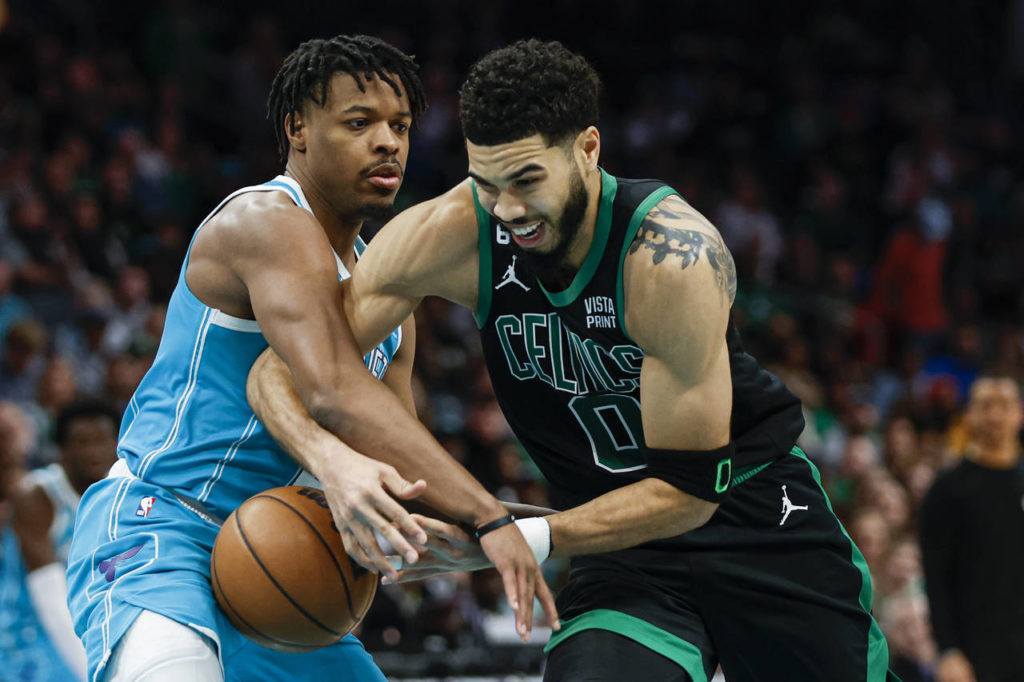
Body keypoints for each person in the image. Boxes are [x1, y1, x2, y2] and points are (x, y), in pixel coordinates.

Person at [249, 40, 897, 681]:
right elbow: (277, 371)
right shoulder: (450, 234)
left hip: (754, 517)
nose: (508, 209)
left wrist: (511, 535)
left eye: (527, 180)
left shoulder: (669, 257)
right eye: (487, 182)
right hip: (622, 552)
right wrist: (332, 462)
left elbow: (690, 492)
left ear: (587, 149)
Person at [65, 35, 553, 682]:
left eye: (400, 126)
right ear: (297, 128)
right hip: (164, 526)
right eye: (359, 122)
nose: (387, 143)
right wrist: (489, 517)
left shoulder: (390, 304)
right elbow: (332, 391)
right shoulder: (265, 220)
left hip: (282, 554)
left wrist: (576, 526)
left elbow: (406, 479)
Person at [5, 399, 119, 681]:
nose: (93, 451)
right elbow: (49, 595)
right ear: (62, 451)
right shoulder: (35, 495)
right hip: (25, 629)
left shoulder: (120, 494)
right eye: (82, 442)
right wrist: (91, 673)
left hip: (84, 623)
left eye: (101, 440)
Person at [919, 376, 1024, 682]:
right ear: (969, 415)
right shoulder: (947, 488)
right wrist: (948, 649)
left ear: (1019, 413)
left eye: (1004, 405)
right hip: (972, 652)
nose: (995, 415)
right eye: (985, 405)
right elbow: (935, 574)